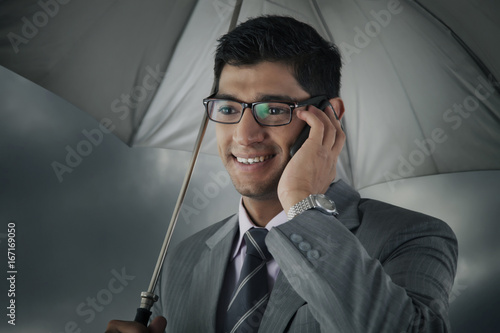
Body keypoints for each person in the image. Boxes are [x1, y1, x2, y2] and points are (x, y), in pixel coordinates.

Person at [106, 15, 457, 333]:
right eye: (228, 107)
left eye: (273, 109)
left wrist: (303, 202)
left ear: (329, 116)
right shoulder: (184, 258)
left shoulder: (410, 236)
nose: (244, 135)